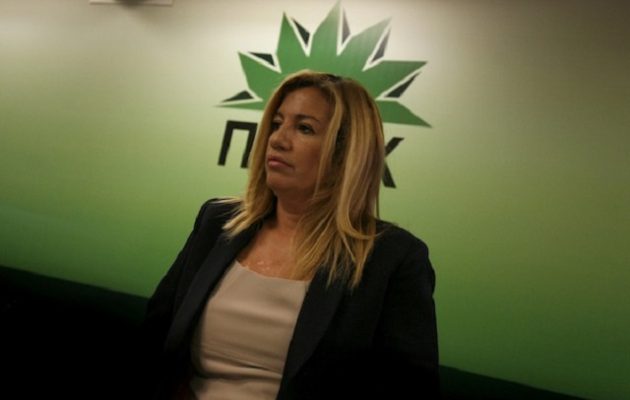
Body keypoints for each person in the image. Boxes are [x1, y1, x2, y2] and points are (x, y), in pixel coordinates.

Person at [140, 70, 440, 399]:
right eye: (276, 123)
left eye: (304, 128)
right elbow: (155, 335)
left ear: (346, 154)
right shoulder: (217, 222)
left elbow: (409, 390)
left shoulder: (392, 258)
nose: (278, 140)